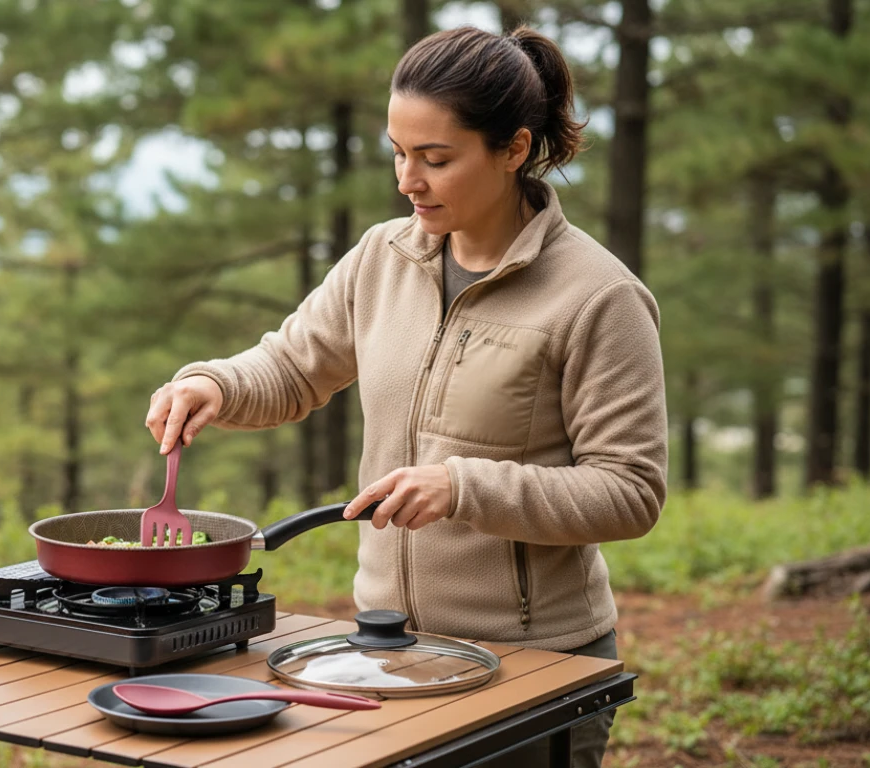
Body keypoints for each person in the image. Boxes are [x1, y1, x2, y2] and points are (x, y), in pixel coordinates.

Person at [144, 25, 668, 768]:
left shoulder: (599, 298)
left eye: (436, 159)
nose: (406, 180)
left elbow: (630, 490)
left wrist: (463, 486)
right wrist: (213, 383)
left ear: (514, 149)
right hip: (389, 652)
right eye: (398, 151)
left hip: (537, 664)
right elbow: (292, 366)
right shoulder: (382, 258)